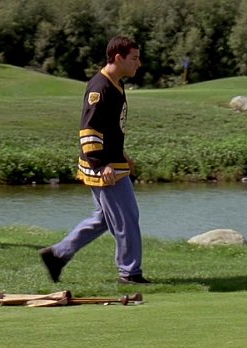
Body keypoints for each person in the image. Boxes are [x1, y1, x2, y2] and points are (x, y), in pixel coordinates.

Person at [38, 36, 150, 284]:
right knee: (127, 218)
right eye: (134, 58)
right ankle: (130, 272)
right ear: (118, 58)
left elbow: (110, 129)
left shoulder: (116, 83)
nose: (138, 63)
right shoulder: (100, 88)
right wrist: (101, 165)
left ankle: (57, 255)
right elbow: (89, 131)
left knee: (103, 219)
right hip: (105, 169)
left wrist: (123, 156)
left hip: (113, 163)